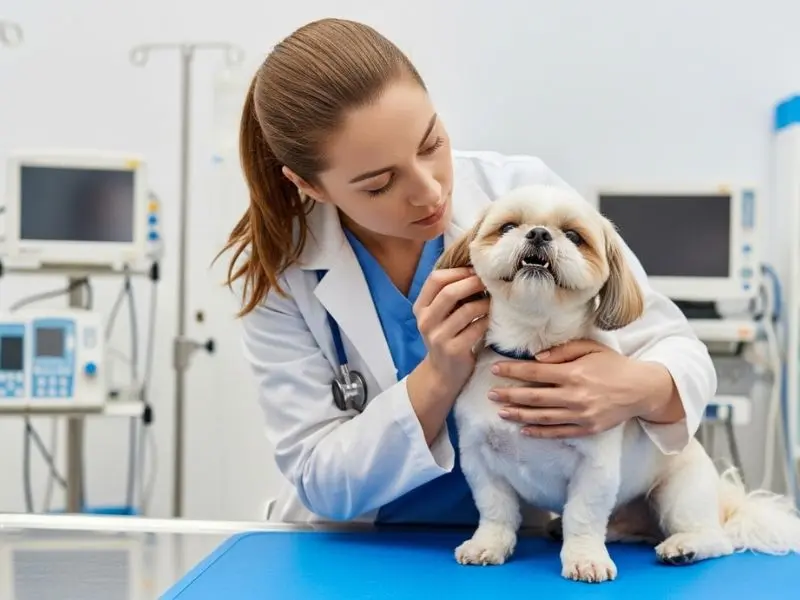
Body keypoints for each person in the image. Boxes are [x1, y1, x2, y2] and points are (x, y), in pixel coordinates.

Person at [218, 18, 716, 525]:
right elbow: (319, 478)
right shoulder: (282, 274)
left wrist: (636, 388)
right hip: (359, 543)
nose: (430, 191)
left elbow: (675, 345)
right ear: (310, 185)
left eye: (431, 143)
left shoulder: (519, 193)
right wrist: (437, 378)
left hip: (519, 543)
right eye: (379, 184)